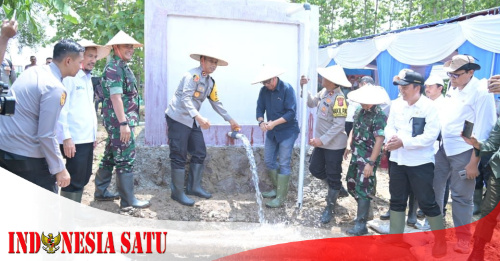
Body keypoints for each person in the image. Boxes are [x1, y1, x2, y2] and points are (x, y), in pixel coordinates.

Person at [0, 39, 84, 193]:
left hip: (5, 148)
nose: (81, 67)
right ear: (68, 61)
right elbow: (46, 134)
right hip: (26, 156)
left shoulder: (33, 71)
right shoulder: (54, 88)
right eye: (80, 62)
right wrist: (59, 168)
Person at [434, 55, 496, 253]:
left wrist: (473, 162)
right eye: (450, 73)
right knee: (435, 189)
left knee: (461, 196)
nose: (452, 77)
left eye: (456, 74)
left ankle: (462, 237)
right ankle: (437, 232)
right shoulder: (454, 86)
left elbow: (484, 130)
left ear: (471, 72)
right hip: (443, 147)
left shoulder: (481, 92)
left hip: (465, 150)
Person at [166, 48, 240, 206]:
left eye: (215, 63)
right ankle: (177, 193)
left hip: (192, 120)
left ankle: (194, 187)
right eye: (211, 61)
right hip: (178, 117)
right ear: (202, 61)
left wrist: (230, 120)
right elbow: (186, 99)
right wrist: (198, 117)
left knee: (199, 152)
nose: (213, 65)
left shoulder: (211, 82)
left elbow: (216, 102)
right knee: (179, 154)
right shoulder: (192, 76)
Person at [384, 69, 446, 257]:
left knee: (427, 201)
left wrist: (404, 142)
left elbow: (430, 136)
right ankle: (395, 239)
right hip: (397, 160)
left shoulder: (429, 107)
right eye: (400, 86)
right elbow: (389, 125)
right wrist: (391, 139)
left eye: (405, 87)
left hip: (420, 163)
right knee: (396, 199)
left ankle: (440, 241)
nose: (401, 90)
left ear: (416, 87)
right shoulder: (397, 105)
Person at [97, 31, 150, 208]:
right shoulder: (114, 68)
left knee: (111, 155)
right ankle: (128, 201)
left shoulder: (122, 66)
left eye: (132, 46)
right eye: (127, 46)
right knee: (125, 159)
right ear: (116, 47)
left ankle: (101, 191)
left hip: (119, 122)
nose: (131, 49)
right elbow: (116, 97)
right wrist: (124, 124)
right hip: (119, 122)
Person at [56, 39, 110, 202]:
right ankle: (67, 218)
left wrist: (93, 136)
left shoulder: (87, 78)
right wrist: (66, 138)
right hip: (74, 138)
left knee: (84, 176)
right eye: (89, 56)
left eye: (95, 56)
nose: (93, 60)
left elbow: (86, 109)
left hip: (86, 137)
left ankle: (72, 212)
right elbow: (62, 110)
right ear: (79, 56)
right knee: (73, 179)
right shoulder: (70, 77)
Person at [301, 65, 350, 220]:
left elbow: (339, 125)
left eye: (324, 77)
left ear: (332, 81)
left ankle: (329, 208)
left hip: (333, 145)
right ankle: (336, 188)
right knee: (315, 168)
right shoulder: (324, 92)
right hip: (321, 143)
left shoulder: (339, 99)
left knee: (333, 173)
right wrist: (304, 87)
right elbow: (311, 103)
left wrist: (321, 140)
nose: (321, 79)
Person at [463, 76, 500, 260]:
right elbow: (493, 142)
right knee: (488, 213)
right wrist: (478, 144)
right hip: (498, 172)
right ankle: (478, 250)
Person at [344, 84, 388, 235]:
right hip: (356, 154)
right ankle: (366, 211)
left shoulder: (379, 115)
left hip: (368, 157)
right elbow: (353, 128)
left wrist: (371, 163)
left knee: (363, 188)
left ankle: (361, 225)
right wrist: (348, 143)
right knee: (351, 183)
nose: (362, 103)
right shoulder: (359, 110)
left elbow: (379, 140)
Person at [254, 64, 299, 208]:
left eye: (268, 82)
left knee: (284, 162)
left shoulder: (287, 89)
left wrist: (274, 124)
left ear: (274, 78)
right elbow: (260, 108)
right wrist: (261, 122)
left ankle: (281, 198)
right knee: (269, 160)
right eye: (263, 83)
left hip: (288, 130)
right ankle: (276, 189)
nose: (266, 85)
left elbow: (291, 113)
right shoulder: (263, 91)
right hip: (272, 131)